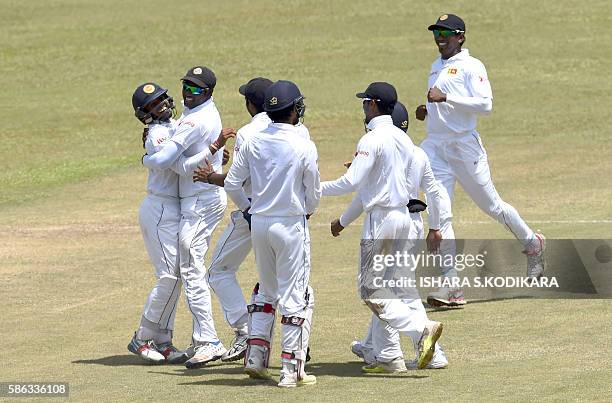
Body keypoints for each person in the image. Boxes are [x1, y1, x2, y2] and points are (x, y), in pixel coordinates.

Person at [415, 15, 546, 308]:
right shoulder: (436, 66)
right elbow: (442, 103)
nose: (440, 37)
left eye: (446, 32)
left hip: (465, 149)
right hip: (436, 149)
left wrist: (445, 98)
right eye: (437, 32)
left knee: (493, 206)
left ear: (460, 37)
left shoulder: (473, 66)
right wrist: (429, 110)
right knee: (441, 214)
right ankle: (452, 286)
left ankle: (532, 243)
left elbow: (485, 105)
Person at [324, 82, 443, 372]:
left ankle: (420, 329)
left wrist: (313, 188)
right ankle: (389, 356)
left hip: (382, 219)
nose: (363, 108)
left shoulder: (372, 139)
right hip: (403, 218)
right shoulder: (403, 141)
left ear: (373, 104)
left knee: (371, 290)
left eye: (365, 102)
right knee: (390, 286)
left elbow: (352, 183)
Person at [225, 80, 320, 387]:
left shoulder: (252, 139)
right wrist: (307, 209)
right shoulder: (303, 143)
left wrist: (249, 210)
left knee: (267, 292)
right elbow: (313, 192)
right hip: (290, 224)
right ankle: (292, 372)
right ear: (293, 110)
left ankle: (255, 358)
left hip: (260, 225)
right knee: (296, 296)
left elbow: (231, 184)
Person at [140, 66, 234, 369]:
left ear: (207, 93)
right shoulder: (194, 115)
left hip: (196, 202)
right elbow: (177, 160)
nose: (185, 95)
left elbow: (175, 165)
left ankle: (206, 341)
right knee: (180, 272)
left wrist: (147, 160)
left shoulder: (192, 120)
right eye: (185, 87)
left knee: (187, 270)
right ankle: (168, 338)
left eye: (194, 90)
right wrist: (215, 152)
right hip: (180, 203)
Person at [127, 82, 188, 364]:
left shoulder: (174, 124)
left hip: (175, 206)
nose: (162, 105)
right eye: (154, 103)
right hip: (160, 207)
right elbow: (172, 162)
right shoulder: (157, 134)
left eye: (163, 99)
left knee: (177, 276)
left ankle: (163, 340)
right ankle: (142, 336)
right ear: (145, 113)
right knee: (168, 276)